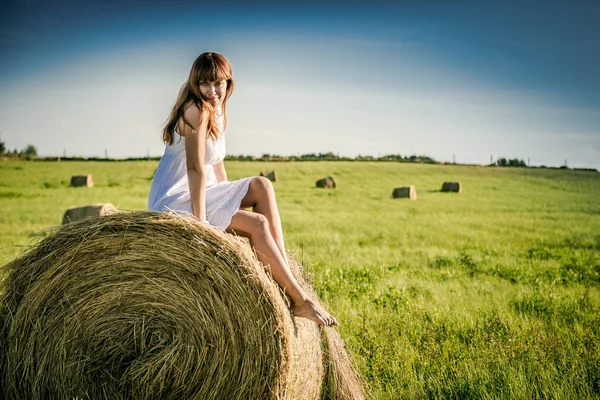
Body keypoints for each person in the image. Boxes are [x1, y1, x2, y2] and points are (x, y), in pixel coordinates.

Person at [148, 52, 338, 327]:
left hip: (204, 190)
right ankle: (299, 301)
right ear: (195, 84)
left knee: (262, 185)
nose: (212, 91)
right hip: (177, 200)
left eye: (218, 84)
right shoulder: (195, 111)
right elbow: (195, 169)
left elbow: (216, 165)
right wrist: (202, 224)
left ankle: (283, 270)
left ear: (228, 84)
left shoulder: (218, 111)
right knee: (257, 224)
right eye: (204, 84)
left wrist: (229, 200)